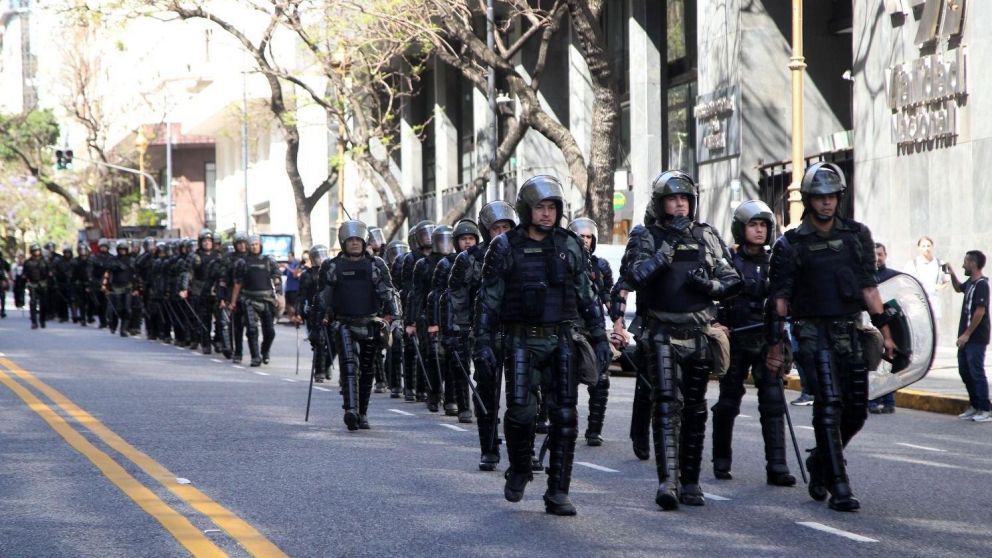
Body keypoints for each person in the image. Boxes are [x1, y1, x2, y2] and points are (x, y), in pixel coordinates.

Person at [474, 175, 610, 516]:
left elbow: (587, 295)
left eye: (552, 208)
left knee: (565, 416)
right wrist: (482, 342)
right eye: (540, 207)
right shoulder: (504, 247)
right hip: (521, 340)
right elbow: (488, 300)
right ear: (526, 210)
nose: (546, 214)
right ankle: (520, 468)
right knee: (520, 413)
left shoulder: (570, 245)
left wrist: (600, 336)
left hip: (561, 339)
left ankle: (558, 491)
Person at [765, 162, 896, 512]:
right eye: (820, 197)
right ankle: (840, 486)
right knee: (829, 406)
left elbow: (869, 287)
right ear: (809, 200)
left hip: (850, 329)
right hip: (812, 332)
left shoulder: (856, 235)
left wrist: (886, 333)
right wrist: (776, 346)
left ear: (840, 198)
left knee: (856, 412)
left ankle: (820, 461)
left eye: (832, 197)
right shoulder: (790, 243)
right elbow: (779, 300)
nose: (827, 203)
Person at [625, 170, 740, 510]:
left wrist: (709, 287)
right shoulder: (645, 235)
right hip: (661, 331)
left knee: (696, 410)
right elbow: (636, 275)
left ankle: (691, 481)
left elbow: (731, 280)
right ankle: (668, 481)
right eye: (673, 199)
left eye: (685, 199)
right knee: (666, 408)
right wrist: (670, 246)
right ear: (661, 204)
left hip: (698, 332)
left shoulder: (706, 235)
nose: (680, 205)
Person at [710, 200, 795, 486]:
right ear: (740, 228)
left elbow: (787, 298)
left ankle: (777, 465)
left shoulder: (777, 261)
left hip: (768, 339)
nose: (759, 231)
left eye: (763, 225)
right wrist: (716, 323)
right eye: (753, 225)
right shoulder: (727, 261)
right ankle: (721, 459)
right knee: (728, 402)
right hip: (736, 338)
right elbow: (713, 296)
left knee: (773, 402)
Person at [450, 201, 517, 470]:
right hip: (485, 335)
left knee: (523, 396)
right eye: (495, 228)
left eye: (506, 227)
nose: (501, 233)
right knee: (486, 393)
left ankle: (522, 452)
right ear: (486, 230)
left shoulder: (524, 253)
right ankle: (488, 448)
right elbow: (457, 297)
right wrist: (459, 330)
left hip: (518, 333)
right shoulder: (469, 259)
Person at [319, 220, 397, 430]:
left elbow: (389, 292)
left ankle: (362, 413)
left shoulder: (376, 265)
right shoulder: (332, 266)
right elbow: (323, 297)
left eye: (358, 240)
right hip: (344, 323)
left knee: (368, 370)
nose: (354, 243)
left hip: (370, 323)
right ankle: (350, 411)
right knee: (349, 367)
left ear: (364, 242)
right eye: (350, 240)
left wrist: (393, 317)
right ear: (344, 242)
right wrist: (319, 315)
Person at [567, 217, 615, 447]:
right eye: (581, 237)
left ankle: (594, 430)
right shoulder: (564, 262)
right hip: (569, 330)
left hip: (594, 330)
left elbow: (608, 297)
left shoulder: (601, 266)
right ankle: (566, 427)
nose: (585, 241)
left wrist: (618, 323)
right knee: (566, 382)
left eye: (588, 237)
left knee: (602, 380)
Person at [410, 225, 454, 413]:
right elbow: (417, 294)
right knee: (434, 357)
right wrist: (412, 320)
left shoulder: (457, 261)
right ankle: (434, 393)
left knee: (453, 358)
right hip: (428, 316)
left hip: (452, 316)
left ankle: (452, 398)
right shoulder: (423, 264)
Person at [946, 250, 991, 422]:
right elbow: (959, 288)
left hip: (976, 338)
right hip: (965, 337)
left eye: (965, 262)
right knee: (965, 371)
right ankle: (974, 405)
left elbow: (980, 311)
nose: (963, 265)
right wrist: (951, 274)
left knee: (976, 371)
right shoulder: (971, 283)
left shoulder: (981, 285)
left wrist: (966, 334)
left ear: (973, 263)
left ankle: (986, 409)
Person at [231, 235, 283, 367]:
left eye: (256, 244)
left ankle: (265, 351)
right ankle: (255, 357)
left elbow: (277, 279)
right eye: (252, 244)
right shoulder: (242, 262)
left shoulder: (269, 261)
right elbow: (238, 283)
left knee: (270, 332)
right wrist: (233, 301)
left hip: (267, 299)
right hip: (249, 299)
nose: (254, 246)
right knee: (252, 330)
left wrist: (280, 297)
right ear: (249, 246)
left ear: (260, 245)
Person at [869, 242, 900, 414]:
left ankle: (889, 401)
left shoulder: (893, 277)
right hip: (871, 331)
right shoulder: (865, 277)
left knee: (888, 366)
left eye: (880, 255)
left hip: (890, 330)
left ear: (885, 255)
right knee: (873, 365)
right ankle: (872, 400)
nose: (877, 258)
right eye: (874, 255)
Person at [297, 245, 331, 382]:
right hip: (314, 312)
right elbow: (301, 295)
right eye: (318, 256)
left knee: (334, 341)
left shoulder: (332, 271)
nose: (321, 259)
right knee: (318, 341)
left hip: (330, 311)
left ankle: (327, 364)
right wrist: (300, 312)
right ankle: (320, 371)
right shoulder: (307, 275)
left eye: (323, 255)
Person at [384, 240, 410, 397]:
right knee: (395, 344)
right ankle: (394, 383)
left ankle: (411, 385)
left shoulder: (410, 262)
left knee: (411, 349)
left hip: (409, 308)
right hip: (394, 313)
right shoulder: (385, 268)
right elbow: (389, 292)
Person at [904, 236, 950, 322]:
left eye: (928, 246)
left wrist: (941, 287)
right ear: (919, 248)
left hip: (935, 306)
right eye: (923, 246)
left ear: (932, 247)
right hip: (917, 307)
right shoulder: (911, 264)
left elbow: (948, 280)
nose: (926, 248)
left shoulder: (942, 263)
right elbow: (905, 283)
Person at [103, 240, 137, 337]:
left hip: (128, 286)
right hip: (116, 287)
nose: (122, 251)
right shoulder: (113, 259)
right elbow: (107, 267)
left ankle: (124, 329)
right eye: (121, 249)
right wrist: (117, 265)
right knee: (117, 308)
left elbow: (135, 274)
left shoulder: (131, 260)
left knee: (127, 309)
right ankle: (113, 325)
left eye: (124, 249)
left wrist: (136, 288)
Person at [22, 244, 51, 329]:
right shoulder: (28, 262)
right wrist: (24, 279)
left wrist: (49, 276)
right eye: (35, 251)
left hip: (43, 284)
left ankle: (42, 320)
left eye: (38, 250)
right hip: (32, 284)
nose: (37, 252)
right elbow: (24, 274)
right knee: (33, 303)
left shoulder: (45, 261)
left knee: (43, 304)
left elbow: (49, 273)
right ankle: (34, 322)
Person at [283, 251, 301, 321]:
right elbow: (284, 273)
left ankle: (296, 318)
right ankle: (292, 318)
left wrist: (288, 268)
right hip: (288, 288)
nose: (288, 258)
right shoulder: (289, 264)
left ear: (293, 256)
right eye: (288, 257)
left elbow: (295, 274)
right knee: (287, 304)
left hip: (294, 287)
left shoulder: (296, 263)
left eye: (289, 257)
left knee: (294, 304)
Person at [0, 250, 10, 318]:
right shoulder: (3, 261)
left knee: (2, 296)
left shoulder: (3, 261)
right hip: (2, 280)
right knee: (2, 296)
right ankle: (2, 311)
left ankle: (3, 311)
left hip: (1, 280)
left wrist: (8, 280)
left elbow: (8, 270)